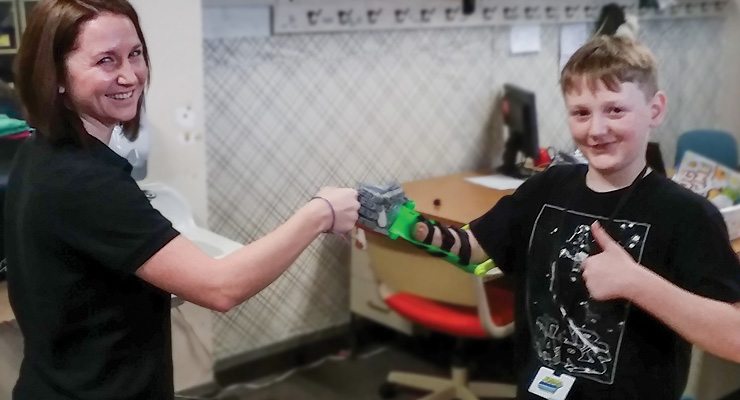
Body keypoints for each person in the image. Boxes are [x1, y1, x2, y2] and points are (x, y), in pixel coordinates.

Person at [4, 0, 359, 399]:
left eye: (134, 54)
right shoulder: (84, 181)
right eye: (106, 60)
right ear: (58, 76)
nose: (129, 75)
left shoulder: (41, 152)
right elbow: (220, 287)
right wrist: (321, 212)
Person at [413, 35, 740, 399]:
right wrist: (399, 222)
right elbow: (473, 247)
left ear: (655, 109)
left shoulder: (688, 215)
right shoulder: (548, 186)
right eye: (581, 113)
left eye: (615, 110)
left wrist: (637, 284)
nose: (596, 130)